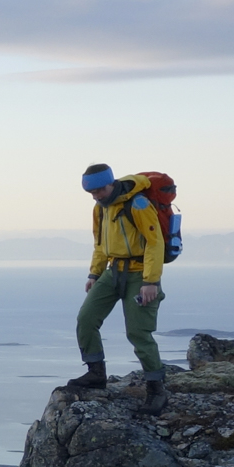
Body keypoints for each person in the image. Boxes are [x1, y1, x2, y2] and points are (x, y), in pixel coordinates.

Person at [66, 163, 168, 413]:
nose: (97, 196)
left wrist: (150, 281)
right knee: (86, 319)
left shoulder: (138, 204)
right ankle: (95, 373)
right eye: (92, 193)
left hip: (139, 274)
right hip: (113, 272)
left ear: (111, 183)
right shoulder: (100, 209)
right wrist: (94, 272)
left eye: (100, 190)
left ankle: (157, 390)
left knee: (138, 332)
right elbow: (100, 243)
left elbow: (155, 243)